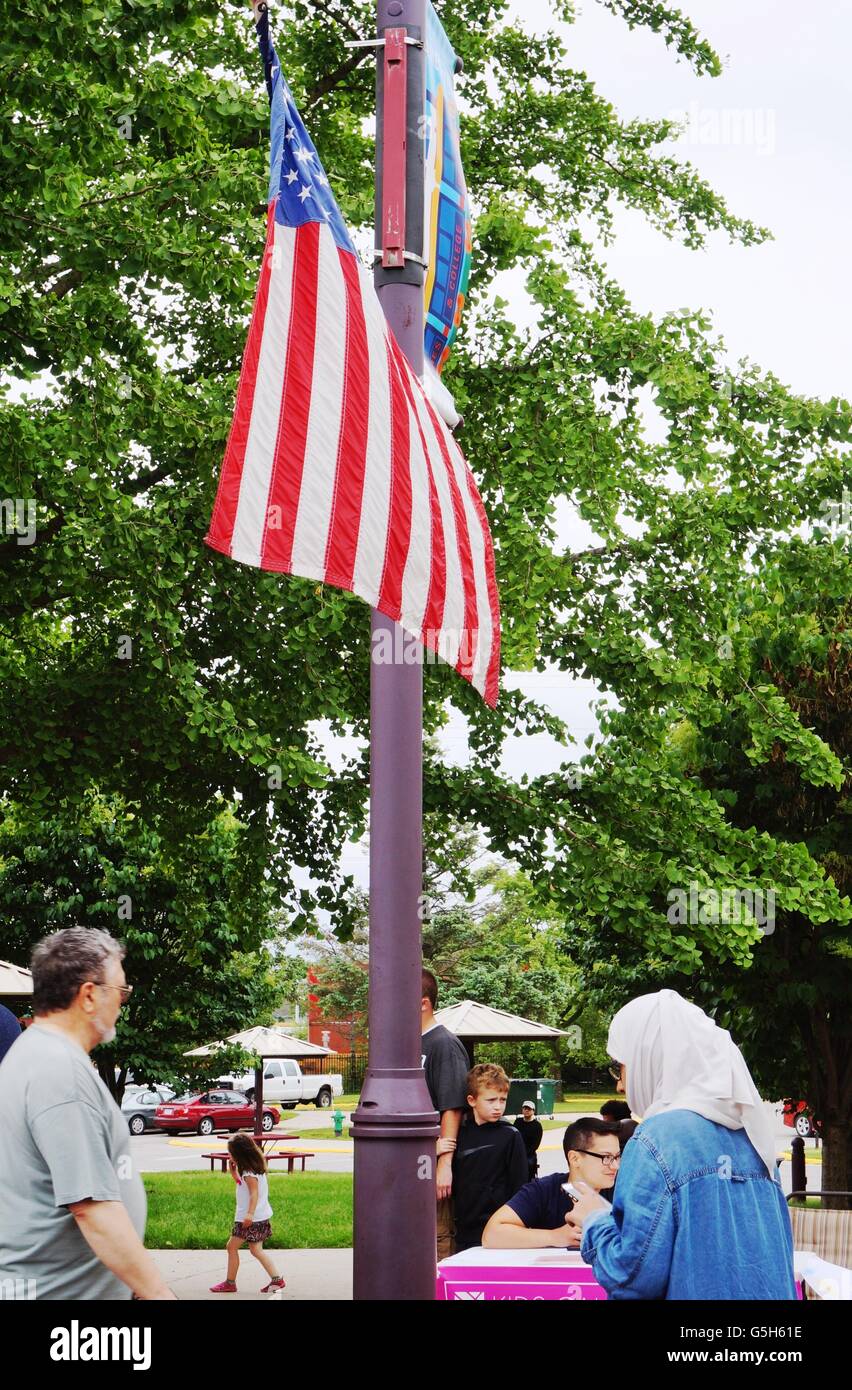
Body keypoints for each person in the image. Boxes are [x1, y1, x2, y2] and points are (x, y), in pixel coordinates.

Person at [565, 989, 797, 1300]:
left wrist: (594, 1219)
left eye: (620, 1067)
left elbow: (630, 1276)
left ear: (650, 1057)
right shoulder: (754, 1135)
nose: (620, 1084)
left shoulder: (656, 1139)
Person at [0, 927, 175, 1299]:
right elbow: (92, 1209)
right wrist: (159, 1294)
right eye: (121, 991)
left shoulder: (34, 1052)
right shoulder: (58, 1069)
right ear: (90, 995)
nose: (122, 1002)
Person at [482, 1117, 619, 1248]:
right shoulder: (543, 1191)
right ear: (575, 1158)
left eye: (617, 1156)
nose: (616, 1166)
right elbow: (491, 1234)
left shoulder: (624, 1192)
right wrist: (556, 1236)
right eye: (607, 1157)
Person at [445, 1064, 529, 1251]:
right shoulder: (458, 1132)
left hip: (498, 1229)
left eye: (502, 1100)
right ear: (472, 1100)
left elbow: (520, 1185)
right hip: (462, 1229)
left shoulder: (510, 1135)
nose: (498, 1107)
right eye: (491, 1100)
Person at [421, 968, 471, 1259]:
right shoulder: (410, 1043)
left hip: (437, 1161)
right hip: (417, 1159)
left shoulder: (444, 1044)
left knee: (437, 1234)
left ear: (424, 1002)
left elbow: (451, 1107)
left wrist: (444, 1164)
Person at [210, 1133, 285, 1294]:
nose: (229, 1155)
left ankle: (230, 1283)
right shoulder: (254, 1169)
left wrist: (249, 1215)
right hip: (260, 1216)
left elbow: (253, 1194)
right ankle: (277, 1279)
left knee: (231, 1247)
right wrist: (234, 1175)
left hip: (251, 1218)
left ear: (239, 1154)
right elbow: (244, 1187)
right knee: (256, 1250)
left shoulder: (249, 1173)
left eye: (230, 1152)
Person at [513, 1099, 543, 1179]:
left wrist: (523, 1154)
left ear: (533, 1111)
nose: (526, 1110)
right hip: (517, 1151)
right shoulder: (517, 1122)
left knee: (528, 1165)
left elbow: (535, 1145)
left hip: (529, 1154)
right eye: (525, 1108)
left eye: (529, 1109)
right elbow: (513, 1137)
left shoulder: (537, 1126)